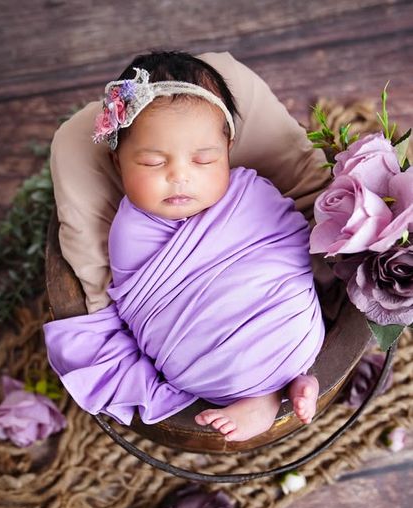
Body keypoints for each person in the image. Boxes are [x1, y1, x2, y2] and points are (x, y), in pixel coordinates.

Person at [44, 51, 325, 442]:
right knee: (221, 345)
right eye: (153, 163)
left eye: (203, 159)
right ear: (119, 161)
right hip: (205, 357)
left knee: (274, 302)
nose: (179, 177)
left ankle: (285, 381)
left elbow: (290, 239)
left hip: (288, 324)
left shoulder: (251, 192)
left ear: (227, 152)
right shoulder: (128, 230)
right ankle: (278, 387)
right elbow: (147, 301)